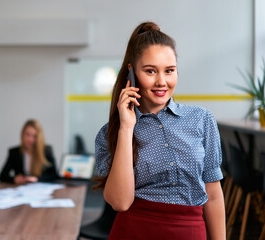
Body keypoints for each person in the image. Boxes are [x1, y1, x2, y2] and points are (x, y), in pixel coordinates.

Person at [94, 22, 225, 239]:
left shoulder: (201, 119)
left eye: (169, 71)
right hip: (134, 230)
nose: (161, 81)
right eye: (150, 71)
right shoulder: (110, 132)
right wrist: (126, 127)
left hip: (190, 231)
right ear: (132, 73)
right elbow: (119, 202)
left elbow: (213, 195)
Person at [0, 119, 58, 184]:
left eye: (34, 136)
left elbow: (54, 175)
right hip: (20, 189)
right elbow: (2, 176)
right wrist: (14, 179)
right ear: (22, 135)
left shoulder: (47, 151)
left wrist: (37, 179)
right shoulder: (14, 152)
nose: (30, 139)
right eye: (27, 134)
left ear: (39, 137)